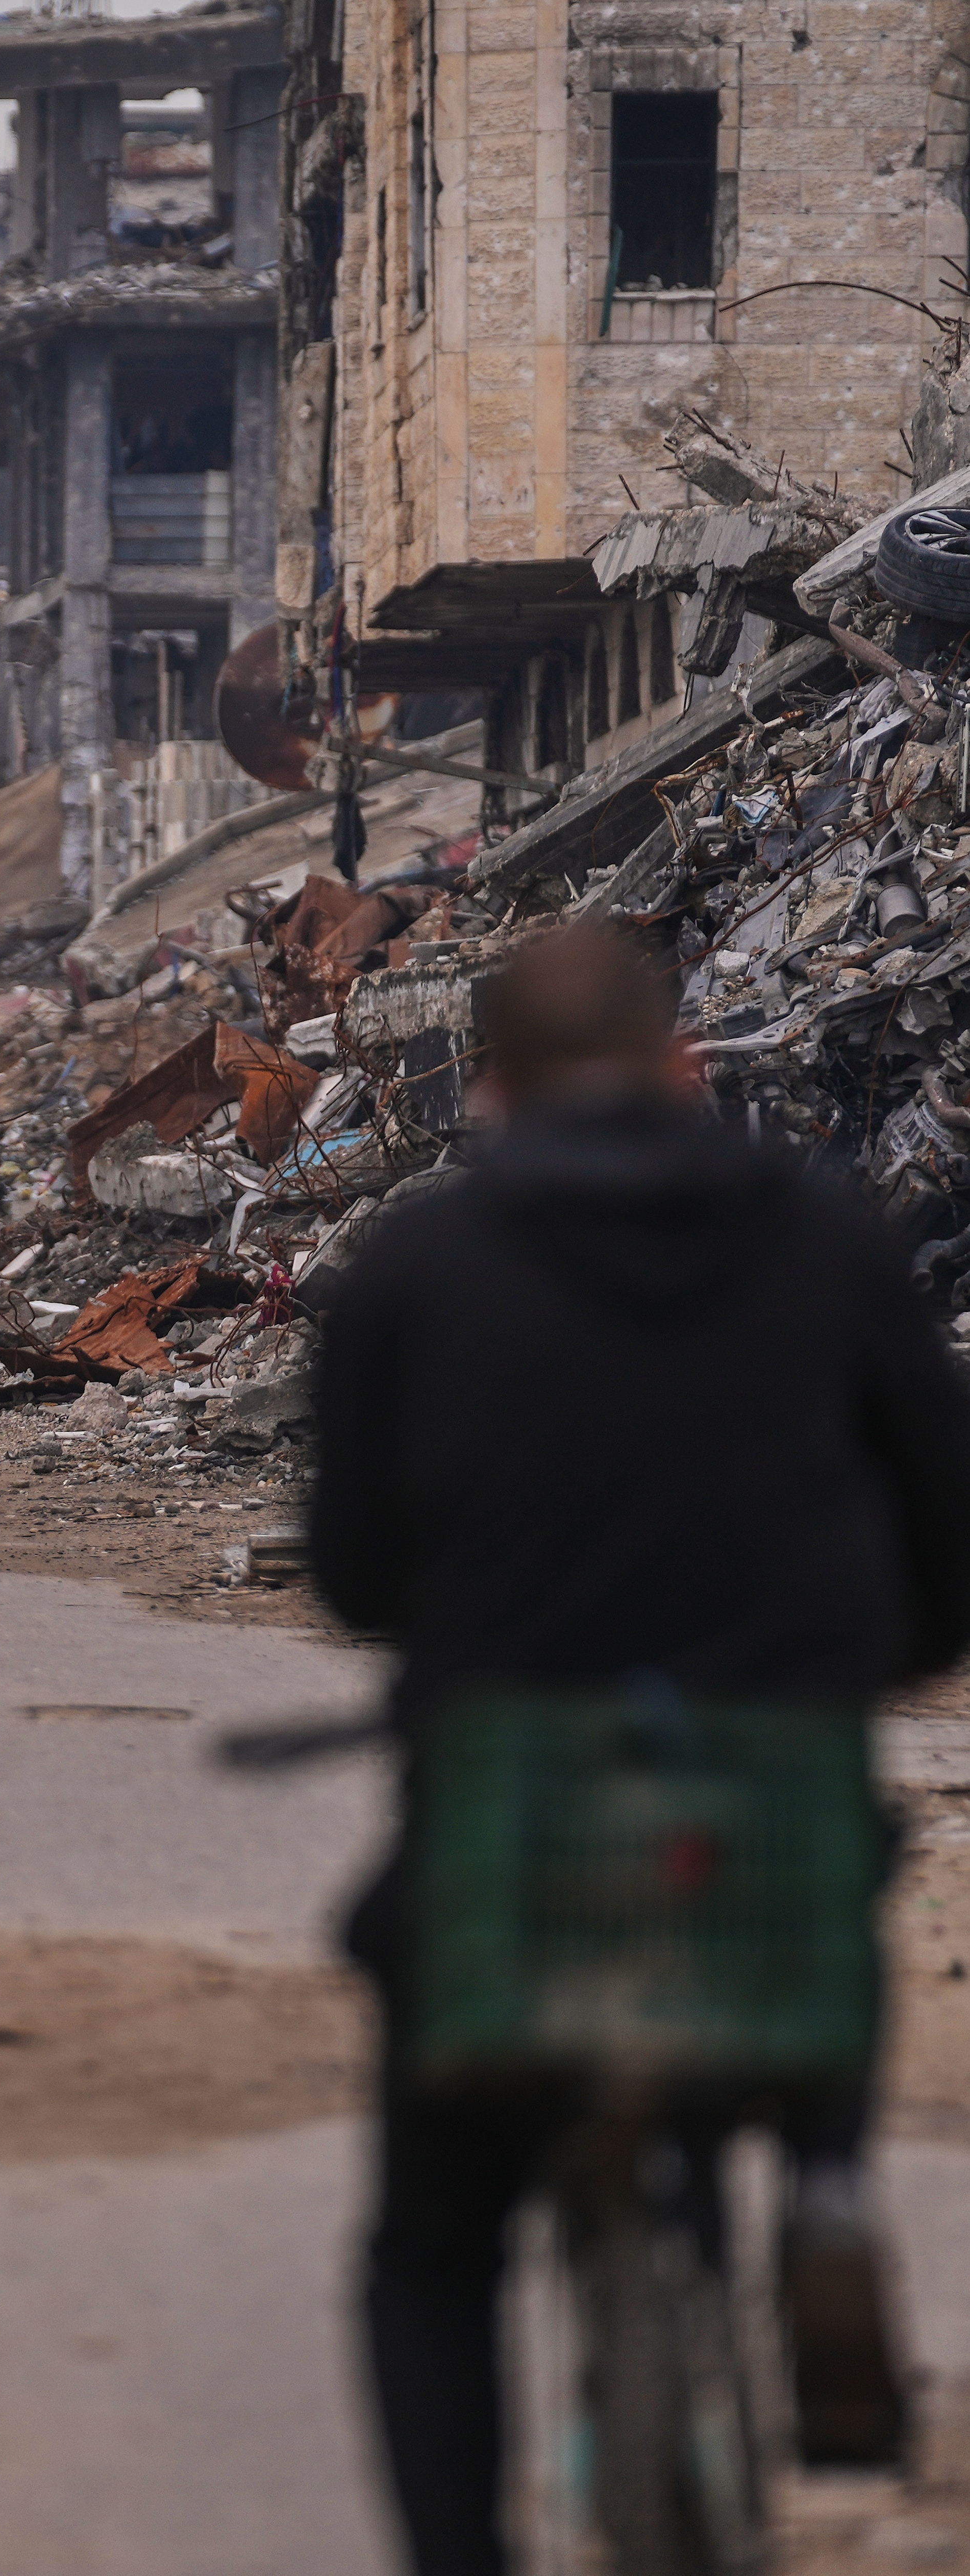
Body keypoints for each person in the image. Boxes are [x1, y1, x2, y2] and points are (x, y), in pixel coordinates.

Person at [310, 923, 970, 2576]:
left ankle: (463, 2548)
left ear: (488, 1093)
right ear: (689, 1070)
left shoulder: (418, 1265)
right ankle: (821, 2183)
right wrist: (857, 1661)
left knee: (432, 2243)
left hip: (508, 1812)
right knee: (827, 1862)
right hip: (766, 1785)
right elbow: (949, 1540)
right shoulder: (832, 1241)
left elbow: (353, 1570)